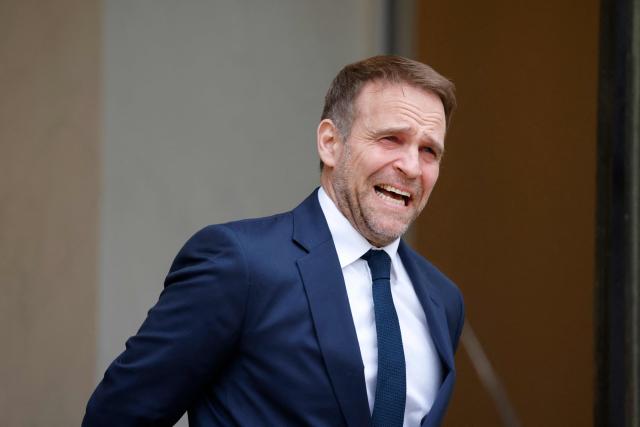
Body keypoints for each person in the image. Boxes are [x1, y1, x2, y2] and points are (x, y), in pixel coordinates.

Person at [83, 55, 464, 427]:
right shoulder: (240, 264)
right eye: (390, 139)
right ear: (330, 143)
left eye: (429, 150)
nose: (411, 167)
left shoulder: (442, 300)